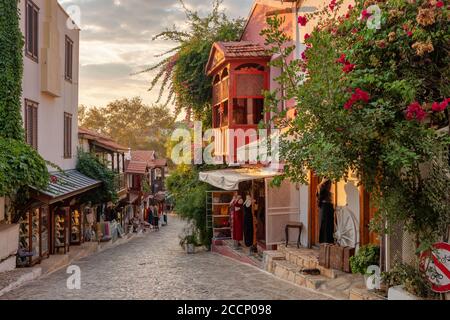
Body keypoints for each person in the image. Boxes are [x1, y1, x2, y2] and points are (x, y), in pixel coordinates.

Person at [317, 179, 335, 244]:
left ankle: (327, 241)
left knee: (327, 225)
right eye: (329, 184)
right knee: (326, 225)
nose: (330, 186)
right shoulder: (323, 190)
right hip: (326, 208)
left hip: (327, 208)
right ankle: (326, 241)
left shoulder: (325, 191)